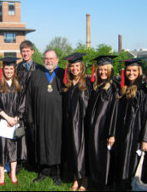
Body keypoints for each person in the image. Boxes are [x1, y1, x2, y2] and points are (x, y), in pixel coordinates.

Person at [0, 57, 26, 186]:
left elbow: (23, 104)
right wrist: (7, 118)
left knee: (14, 148)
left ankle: (13, 173)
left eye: (11, 68)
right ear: (3, 70)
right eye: (6, 68)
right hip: (1, 122)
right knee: (1, 148)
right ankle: (2, 174)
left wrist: (16, 118)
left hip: (15, 121)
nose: (9, 71)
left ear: (14, 70)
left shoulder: (19, 85)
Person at [26, 49, 65, 186]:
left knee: (56, 145)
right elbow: (29, 97)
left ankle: (57, 174)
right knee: (41, 144)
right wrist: (30, 118)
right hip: (40, 118)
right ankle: (43, 172)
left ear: (57, 59)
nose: (49, 61)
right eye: (46, 58)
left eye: (51, 58)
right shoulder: (36, 74)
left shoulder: (63, 74)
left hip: (58, 119)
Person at [114, 58, 147, 190]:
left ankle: (129, 186)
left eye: (134, 70)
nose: (131, 73)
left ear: (139, 72)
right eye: (129, 70)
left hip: (134, 134)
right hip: (122, 132)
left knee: (130, 163)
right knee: (121, 159)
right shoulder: (123, 89)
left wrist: (145, 139)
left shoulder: (143, 92)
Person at [85, 55, 120, 190]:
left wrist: (112, 133)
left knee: (104, 157)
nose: (102, 72)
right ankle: (94, 181)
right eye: (100, 69)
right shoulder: (94, 85)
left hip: (104, 128)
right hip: (92, 127)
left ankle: (105, 184)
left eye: (105, 69)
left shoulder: (114, 87)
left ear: (110, 69)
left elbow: (114, 112)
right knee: (93, 154)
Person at [62, 53, 91, 191]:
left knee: (82, 152)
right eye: (72, 66)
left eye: (77, 66)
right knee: (72, 150)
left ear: (82, 67)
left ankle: (84, 180)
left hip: (82, 123)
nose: (74, 69)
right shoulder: (67, 84)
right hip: (69, 123)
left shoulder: (87, 83)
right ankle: (75, 179)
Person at [16, 40, 42, 171]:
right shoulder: (17, 68)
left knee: (33, 132)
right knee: (20, 132)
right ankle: (20, 160)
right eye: (23, 51)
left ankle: (33, 160)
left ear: (32, 51)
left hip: (34, 105)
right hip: (20, 105)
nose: (25, 53)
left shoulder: (39, 69)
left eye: (27, 51)